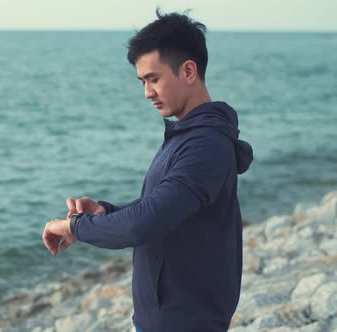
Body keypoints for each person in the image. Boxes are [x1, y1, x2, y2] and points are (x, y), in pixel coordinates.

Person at [41, 9, 253, 332]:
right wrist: (104, 213)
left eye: (154, 79)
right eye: (143, 81)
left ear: (188, 71)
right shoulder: (188, 136)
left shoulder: (205, 146)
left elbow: (143, 223)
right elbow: (163, 210)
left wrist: (76, 227)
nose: (147, 92)